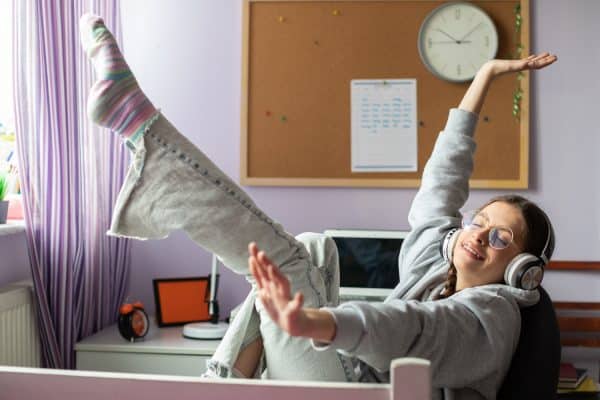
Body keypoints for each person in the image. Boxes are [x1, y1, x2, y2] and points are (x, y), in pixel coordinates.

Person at [80, 13, 557, 399]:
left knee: (287, 264)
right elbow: (444, 178)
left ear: (523, 271)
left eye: (500, 238)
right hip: (356, 376)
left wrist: (320, 323)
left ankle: (138, 125)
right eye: (480, 221)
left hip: (377, 392)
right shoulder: (436, 258)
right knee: (314, 248)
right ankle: (219, 387)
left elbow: (417, 330)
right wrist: (484, 76)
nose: (478, 234)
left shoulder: (494, 315)